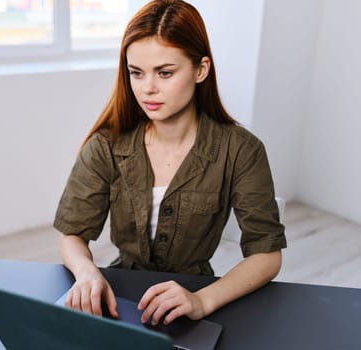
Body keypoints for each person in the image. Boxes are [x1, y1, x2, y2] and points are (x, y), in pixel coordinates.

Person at [54, 0, 286, 327]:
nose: (148, 88)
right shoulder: (105, 145)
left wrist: (203, 300)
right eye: (136, 73)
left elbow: (267, 254)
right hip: (119, 294)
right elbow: (72, 234)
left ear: (200, 69)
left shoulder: (241, 150)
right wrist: (87, 272)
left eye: (165, 72)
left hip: (193, 294)